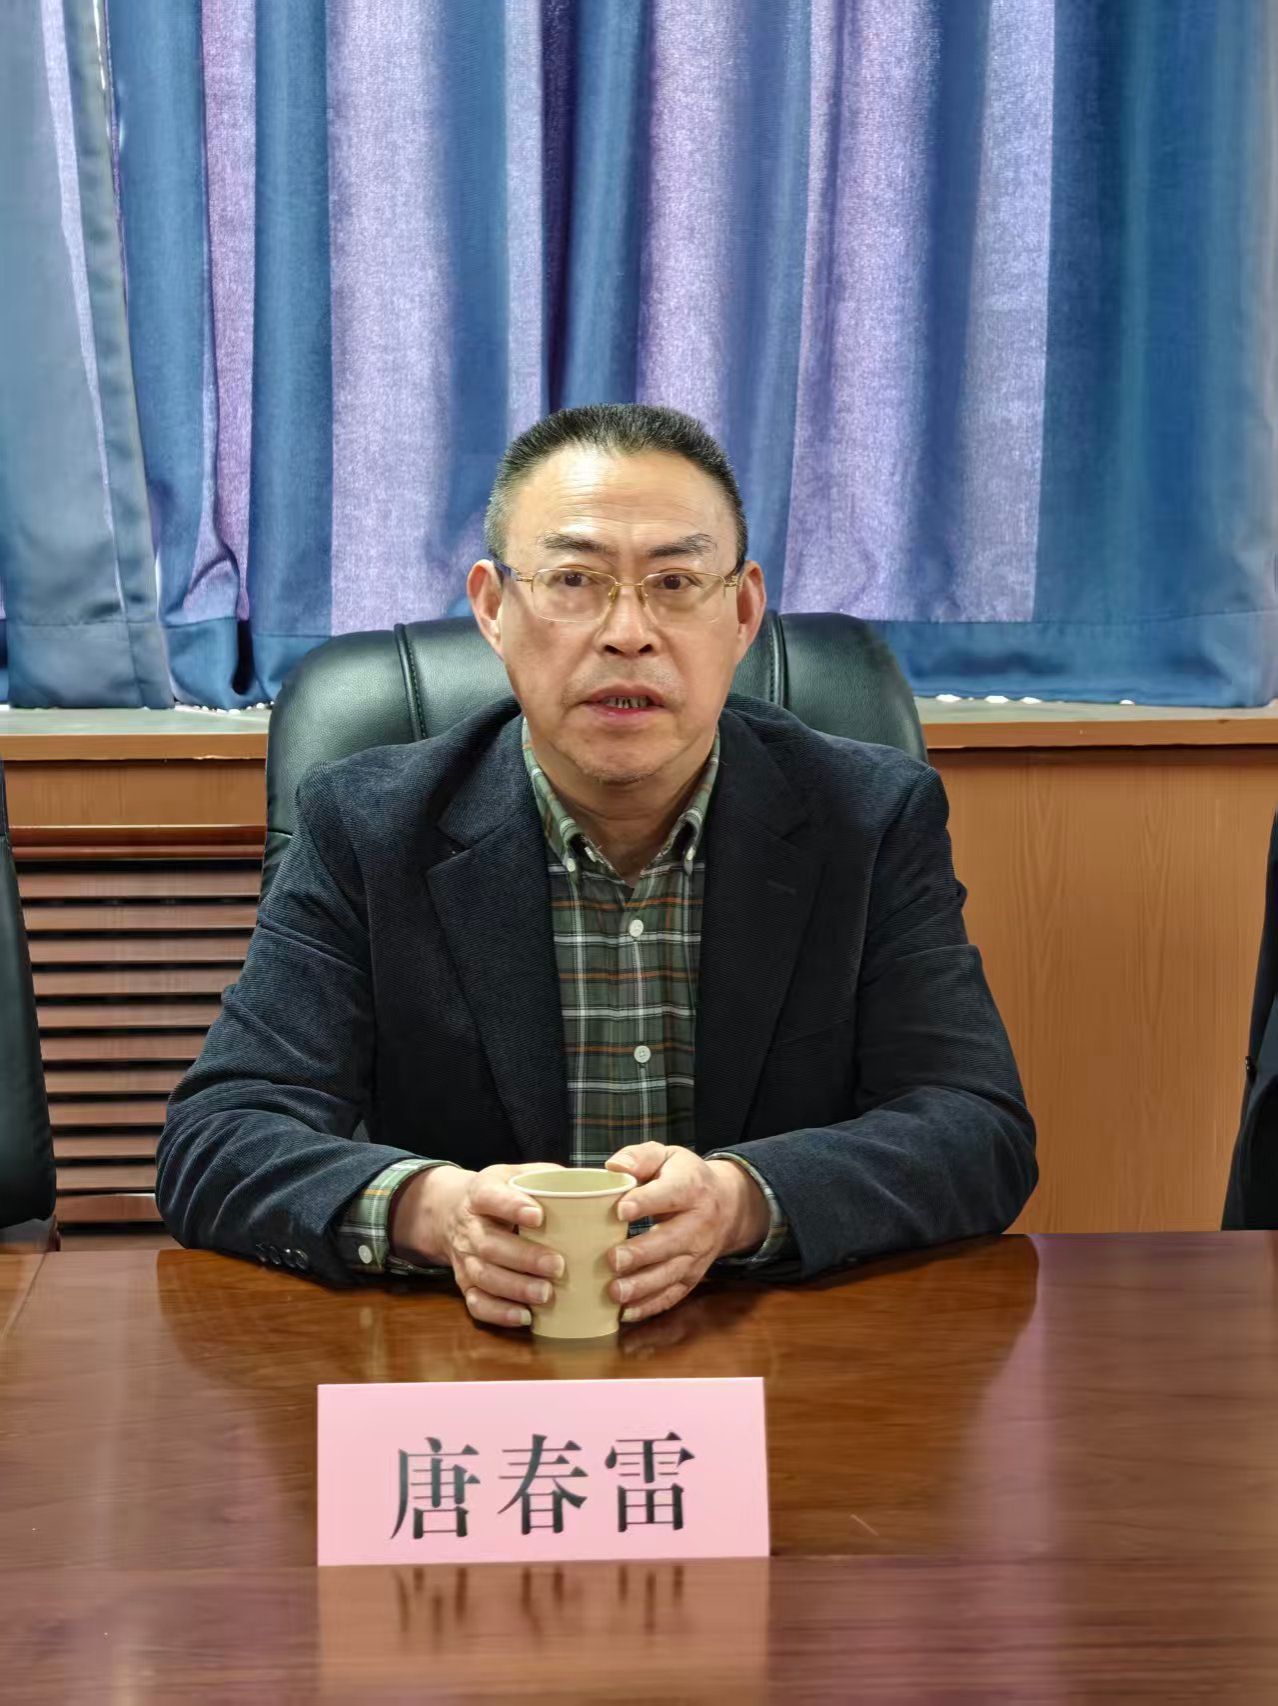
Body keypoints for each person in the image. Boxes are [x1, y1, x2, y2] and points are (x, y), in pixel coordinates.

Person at [157, 403, 1036, 1325]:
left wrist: (743, 1200)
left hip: (772, 1352)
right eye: (574, 580)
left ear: (742, 612)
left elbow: (974, 1128)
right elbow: (219, 1138)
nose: (628, 632)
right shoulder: (369, 828)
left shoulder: (867, 817)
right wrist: (433, 1213)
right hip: (470, 1358)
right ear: (493, 609)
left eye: (675, 582)